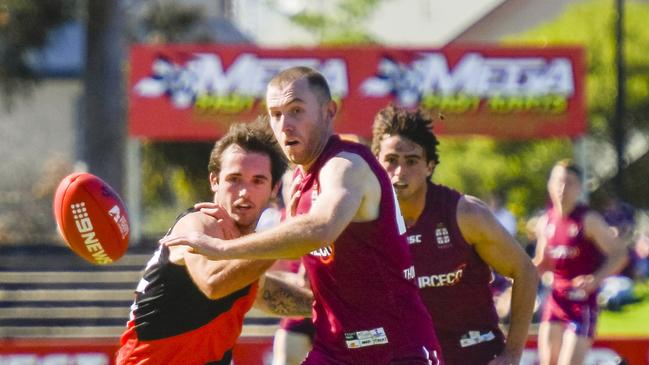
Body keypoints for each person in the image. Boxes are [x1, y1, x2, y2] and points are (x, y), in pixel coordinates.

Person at [162, 66, 443, 364]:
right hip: (335, 350)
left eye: (296, 110)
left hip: (397, 349)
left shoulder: (346, 165)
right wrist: (234, 273)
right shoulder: (295, 185)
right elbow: (308, 285)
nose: (285, 125)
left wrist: (222, 249)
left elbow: (320, 228)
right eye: (276, 114)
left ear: (328, 112)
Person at [116, 119, 313, 365]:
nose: (244, 192)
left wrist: (328, 308)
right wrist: (290, 234)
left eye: (258, 181)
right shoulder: (200, 223)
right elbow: (213, 283)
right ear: (214, 181)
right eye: (234, 179)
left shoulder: (242, 245)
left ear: (274, 189)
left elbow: (263, 292)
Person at [371, 106, 538, 365]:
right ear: (376, 163)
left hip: (476, 355)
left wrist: (512, 353)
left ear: (429, 166)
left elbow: (525, 272)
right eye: (391, 160)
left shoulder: (465, 214)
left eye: (412, 161)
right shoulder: (365, 222)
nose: (400, 172)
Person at [533, 159, 629, 365]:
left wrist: (596, 279)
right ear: (550, 185)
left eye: (569, 182)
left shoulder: (588, 220)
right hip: (556, 299)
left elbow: (620, 253)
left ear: (579, 188)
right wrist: (515, 272)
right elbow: (542, 263)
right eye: (558, 181)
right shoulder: (545, 222)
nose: (562, 188)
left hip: (581, 302)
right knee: (547, 361)